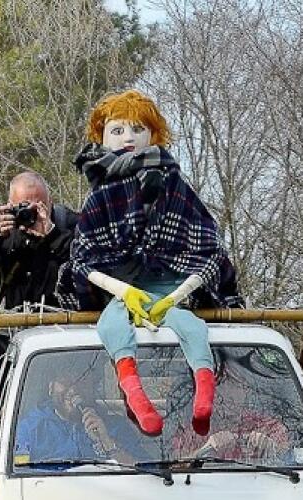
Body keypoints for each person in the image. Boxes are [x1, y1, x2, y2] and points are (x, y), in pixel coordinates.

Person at [56, 90, 243, 438]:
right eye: (118, 130)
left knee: (189, 325)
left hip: (166, 282)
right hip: (123, 287)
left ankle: (204, 395)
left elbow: (205, 242)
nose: (128, 137)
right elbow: (84, 257)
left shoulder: (171, 181)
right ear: (102, 137)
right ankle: (137, 398)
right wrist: (122, 289)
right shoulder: (100, 188)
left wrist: (177, 294)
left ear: (153, 134)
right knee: (112, 326)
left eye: (137, 129)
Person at [0, 171, 78, 361]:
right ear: (10, 206)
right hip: (15, 338)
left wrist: (53, 236)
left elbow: (93, 265)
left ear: (50, 201)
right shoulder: (6, 233)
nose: (30, 213)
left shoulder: (70, 225)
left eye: (38, 206)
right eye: (22, 207)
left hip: (67, 335)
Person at [14, 375, 143, 466]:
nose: (73, 390)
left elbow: (144, 474)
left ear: (93, 388)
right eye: (65, 381)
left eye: (82, 382)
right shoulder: (30, 429)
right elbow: (18, 478)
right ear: (51, 388)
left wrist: (107, 442)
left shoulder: (115, 426)